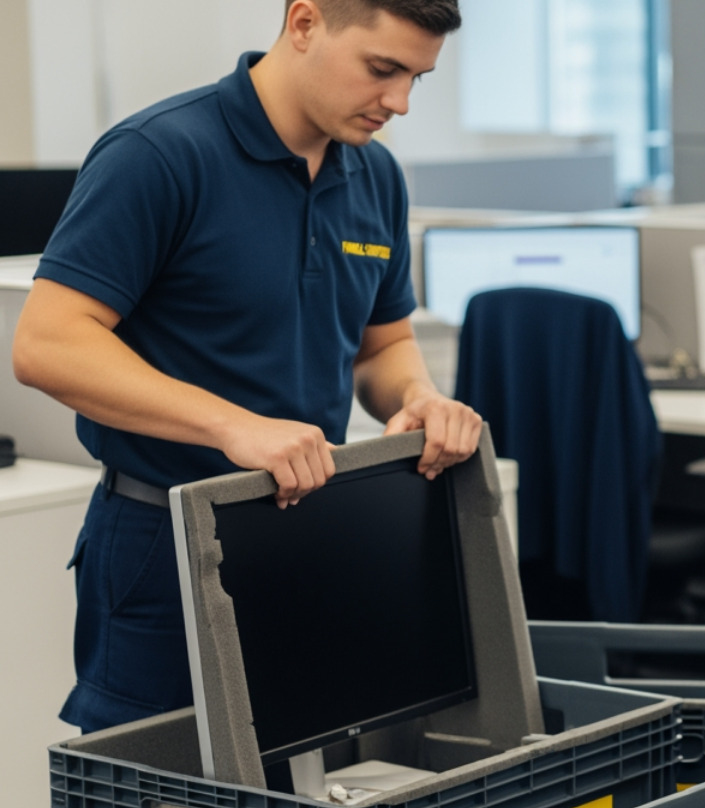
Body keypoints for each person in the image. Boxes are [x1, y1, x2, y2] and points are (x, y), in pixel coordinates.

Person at [11, 0, 482, 733]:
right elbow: (48, 344)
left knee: (293, 803)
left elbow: (381, 346)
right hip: (164, 537)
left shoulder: (377, 177)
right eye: (382, 70)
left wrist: (419, 395)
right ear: (303, 24)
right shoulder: (159, 152)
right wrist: (234, 427)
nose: (399, 103)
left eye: (417, 79)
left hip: (309, 531)